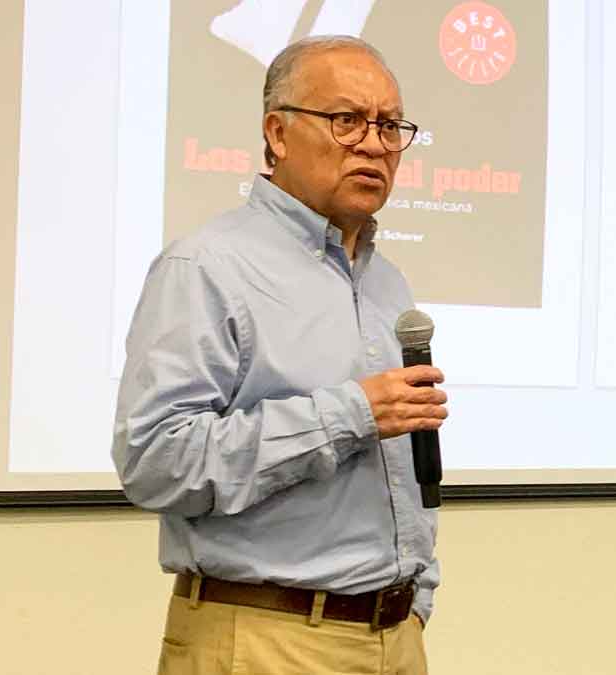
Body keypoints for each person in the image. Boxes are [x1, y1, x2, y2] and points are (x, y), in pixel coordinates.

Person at [112, 35, 446, 675]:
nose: (375, 144)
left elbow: (400, 469)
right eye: (346, 121)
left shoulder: (386, 282)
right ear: (278, 133)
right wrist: (349, 414)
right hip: (267, 639)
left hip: (394, 637)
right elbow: (155, 461)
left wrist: (417, 596)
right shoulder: (208, 267)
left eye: (389, 125)